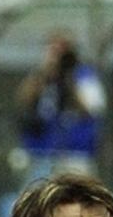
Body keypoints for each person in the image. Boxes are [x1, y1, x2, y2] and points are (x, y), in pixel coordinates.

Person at [16, 31, 104, 177]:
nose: (57, 54)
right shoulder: (42, 76)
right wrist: (44, 74)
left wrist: (69, 80)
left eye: (62, 49)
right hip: (41, 154)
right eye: (53, 49)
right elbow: (24, 100)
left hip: (76, 154)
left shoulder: (84, 75)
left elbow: (91, 110)